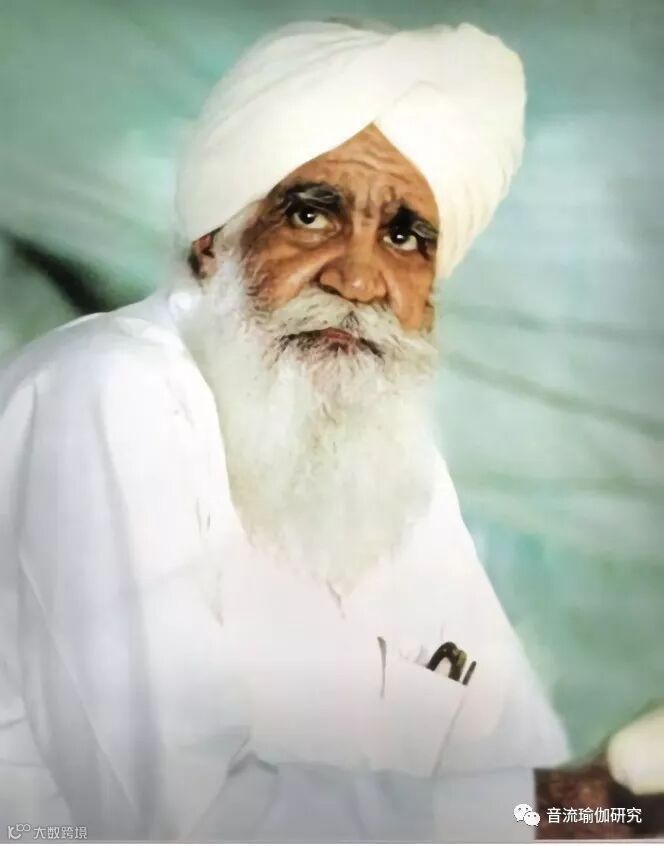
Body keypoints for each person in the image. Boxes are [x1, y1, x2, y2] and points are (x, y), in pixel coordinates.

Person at [0, 19, 572, 842]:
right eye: (311, 214)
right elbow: (182, 821)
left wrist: (618, 810)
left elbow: (534, 774)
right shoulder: (108, 389)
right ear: (212, 244)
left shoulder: (396, 470)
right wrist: (561, 809)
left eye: (404, 236)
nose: (360, 278)